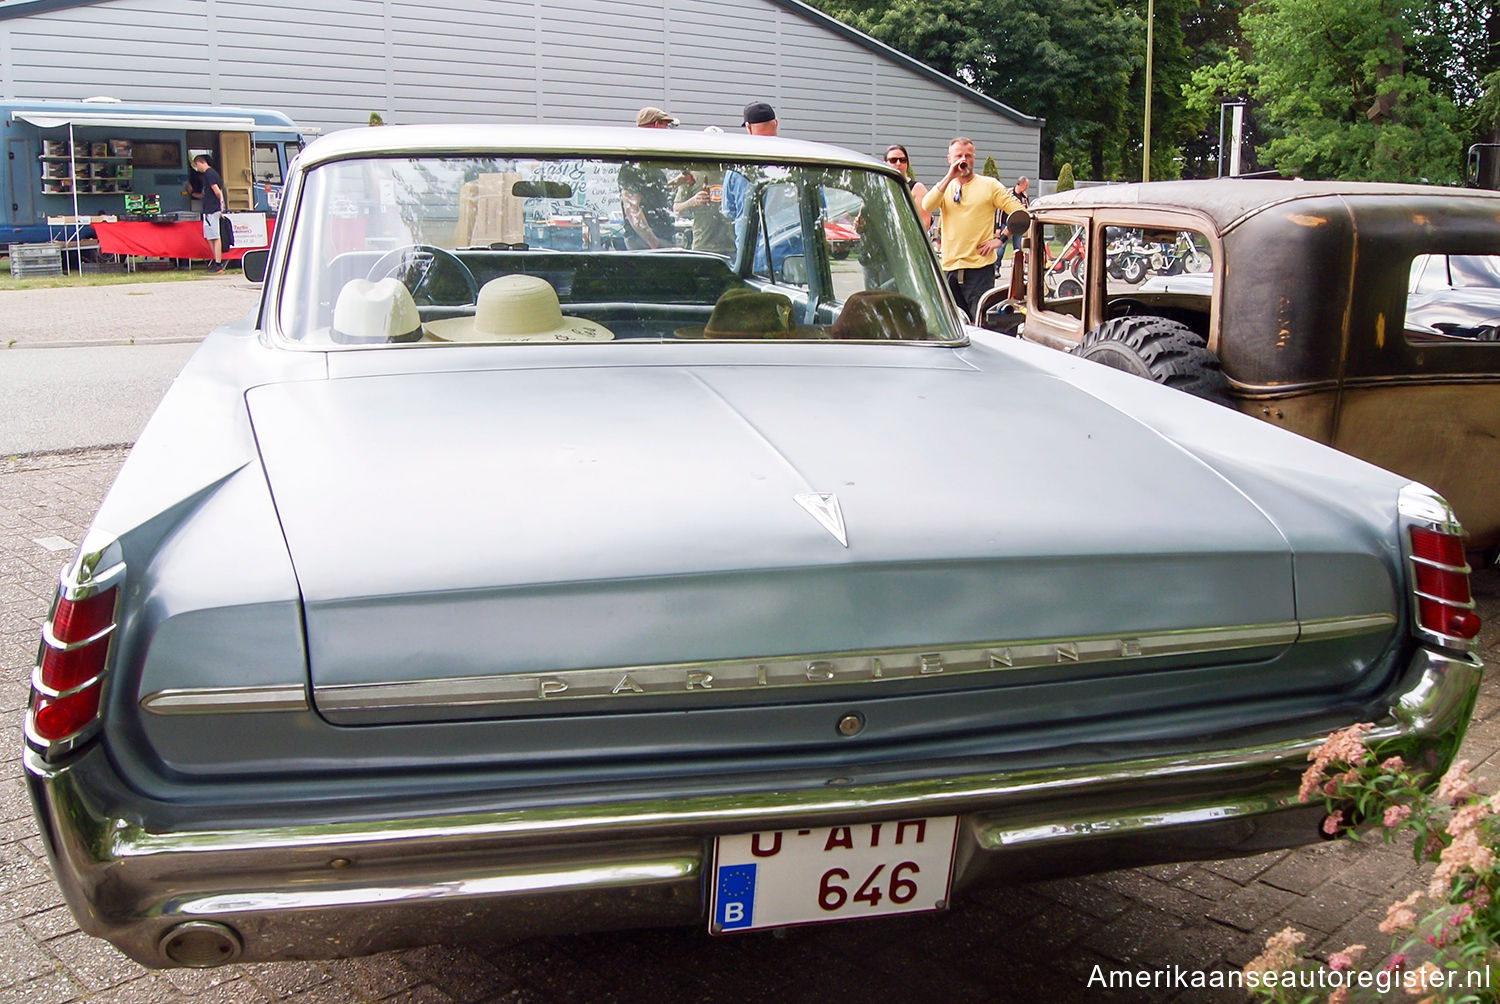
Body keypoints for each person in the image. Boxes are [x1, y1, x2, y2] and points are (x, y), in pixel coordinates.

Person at [920, 138, 1026, 318]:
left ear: (974, 158)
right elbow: (927, 205)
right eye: (958, 156)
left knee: (979, 322)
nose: (963, 160)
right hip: (950, 268)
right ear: (949, 159)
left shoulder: (990, 185)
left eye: (968, 156)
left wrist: (1000, 239)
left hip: (979, 270)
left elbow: (1020, 213)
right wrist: (950, 176)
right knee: (952, 322)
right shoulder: (945, 187)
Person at [619, 107, 679, 249]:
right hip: (645, 243)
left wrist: (677, 181)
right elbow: (632, 207)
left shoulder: (646, 160)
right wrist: (654, 242)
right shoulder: (635, 164)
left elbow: (650, 193)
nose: (667, 131)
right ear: (656, 126)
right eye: (665, 125)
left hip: (654, 240)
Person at [192, 154, 228, 273]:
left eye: (196, 166)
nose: (197, 169)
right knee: (209, 236)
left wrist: (221, 205)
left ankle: (218, 263)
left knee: (215, 236)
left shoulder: (209, 174)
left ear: (199, 163)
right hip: (208, 209)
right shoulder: (210, 174)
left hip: (212, 209)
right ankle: (215, 261)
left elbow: (217, 191)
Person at [884, 144, 930, 231]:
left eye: (902, 160)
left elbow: (924, 224)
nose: (898, 163)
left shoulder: (917, 188)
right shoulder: (880, 188)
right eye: (893, 160)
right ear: (885, 163)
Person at [997, 175, 1030, 258]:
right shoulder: (1008, 193)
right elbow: (1000, 211)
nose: (1027, 187)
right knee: (1001, 245)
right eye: (1026, 185)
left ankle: (1017, 267)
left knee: (1017, 247)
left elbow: (1027, 210)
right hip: (1006, 223)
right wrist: (998, 226)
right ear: (1021, 184)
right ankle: (996, 266)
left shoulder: (1025, 196)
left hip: (1018, 225)